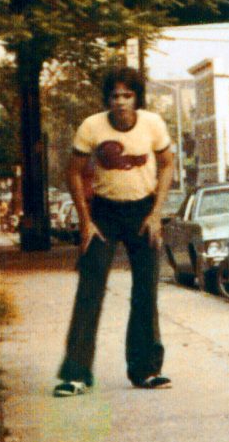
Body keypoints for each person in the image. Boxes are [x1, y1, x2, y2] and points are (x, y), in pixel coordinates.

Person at [54, 67, 176, 397]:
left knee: (146, 291)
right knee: (90, 290)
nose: (120, 102)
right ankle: (76, 374)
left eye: (127, 95)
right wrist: (85, 220)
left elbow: (167, 163)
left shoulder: (152, 124)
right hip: (104, 213)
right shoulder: (92, 126)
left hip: (142, 212)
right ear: (107, 100)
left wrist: (156, 213)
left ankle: (146, 369)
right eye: (114, 96)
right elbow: (74, 172)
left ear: (137, 98)